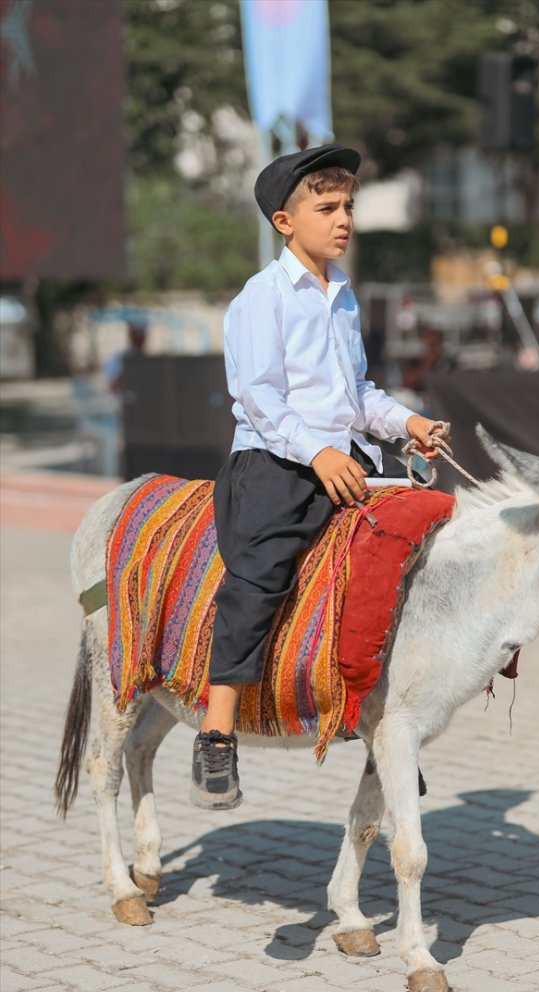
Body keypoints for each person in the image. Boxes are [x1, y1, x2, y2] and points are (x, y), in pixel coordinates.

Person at [191, 144, 449, 810]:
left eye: (348, 207)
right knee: (259, 577)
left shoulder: (343, 296)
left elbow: (357, 391)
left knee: (396, 568)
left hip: (344, 462)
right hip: (275, 466)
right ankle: (216, 735)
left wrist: (406, 423)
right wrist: (317, 454)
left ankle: (379, 730)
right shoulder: (263, 297)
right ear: (284, 221)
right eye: (326, 207)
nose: (343, 220)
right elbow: (258, 398)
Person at [102, 321, 148, 394]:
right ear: (130, 334)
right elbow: (113, 385)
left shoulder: (149, 360)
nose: (140, 337)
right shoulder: (117, 358)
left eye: (142, 333)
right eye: (137, 333)